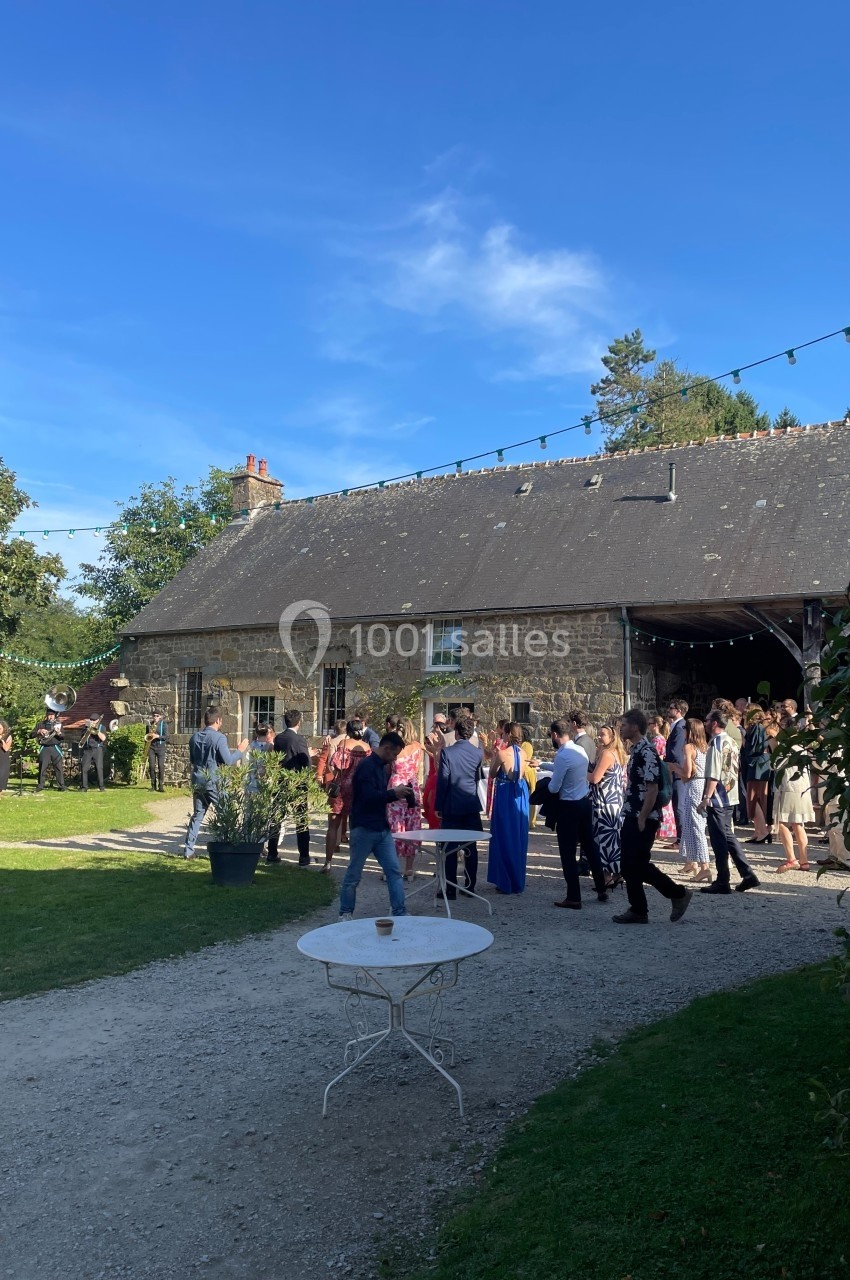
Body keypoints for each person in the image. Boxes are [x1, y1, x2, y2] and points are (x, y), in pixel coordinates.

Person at [614, 709, 692, 925]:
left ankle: (673, 895)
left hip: (643, 817)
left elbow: (653, 788)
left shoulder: (647, 751)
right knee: (630, 864)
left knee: (636, 863)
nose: (621, 728)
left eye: (624, 724)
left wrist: (642, 817)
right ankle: (642, 908)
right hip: (633, 813)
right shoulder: (637, 750)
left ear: (635, 727)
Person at [338, 732, 412, 919]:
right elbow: (367, 797)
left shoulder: (381, 767)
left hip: (381, 828)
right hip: (363, 827)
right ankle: (345, 912)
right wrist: (393, 794)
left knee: (394, 871)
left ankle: (400, 912)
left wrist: (394, 794)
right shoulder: (367, 767)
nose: (395, 759)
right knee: (354, 875)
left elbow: (379, 796)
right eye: (394, 754)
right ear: (386, 748)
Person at [547, 718, 608, 907]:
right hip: (584, 802)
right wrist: (544, 766)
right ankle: (601, 888)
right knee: (590, 847)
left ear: (555, 735)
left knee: (567, 852)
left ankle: (573, 896)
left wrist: (545, 786)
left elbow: (554, 787)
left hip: (569, 806)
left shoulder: (562, 755)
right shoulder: (579, 750)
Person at [697, 710, 759, 893]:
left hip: (718, 796)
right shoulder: (731, 741)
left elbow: (714, 773)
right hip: (730, 794)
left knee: (719, 840)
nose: (705, 723)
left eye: (707, 720)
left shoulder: (716, 743)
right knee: (728, 836)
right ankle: (748, 875)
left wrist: (706, 797)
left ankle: (723, 880)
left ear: (715, 723)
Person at [184, 707, 248, 859]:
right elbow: (228, 761)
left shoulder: (194, 737)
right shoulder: (219, 738)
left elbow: (193, 759)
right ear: (218, 720)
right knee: (225, 814)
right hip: (214, 781)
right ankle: (228, 848)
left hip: (198, 779)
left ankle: (188, 850)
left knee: (198, 815)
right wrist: (240, 751)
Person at [436, 713, 485, 899]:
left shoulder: (447, 753)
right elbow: (477, 778)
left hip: (452, 804)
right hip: (470, 803)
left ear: (456, 732)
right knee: (470, 847)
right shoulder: (477, 752)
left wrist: (438, 805)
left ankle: (450, 889)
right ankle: (470, 886)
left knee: (450, 848)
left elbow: (443, 781)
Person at [487, 722, 530, 894]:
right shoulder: (524, 752)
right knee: (518, 834)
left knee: (503, 834)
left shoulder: (503, 753)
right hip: (520, 793)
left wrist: (495, 757)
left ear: (507, 734)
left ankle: (505, 881)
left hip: (505, 793)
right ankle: (517, 879)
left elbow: (492, 773)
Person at [323, 718, 371, 869]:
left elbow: (334, 765)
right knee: (356, 828)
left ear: (348, 731)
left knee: (333, 826)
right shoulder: (367, 748)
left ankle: (328, 862)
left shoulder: (343, 744)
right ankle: (355, 863)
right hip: (359, 790)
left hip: (341, 788)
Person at [667, 718, 711, 882]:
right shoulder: (705, 747)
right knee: (690, 823)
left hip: (693, 785)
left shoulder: (689, 747)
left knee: (696, 826)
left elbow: (687, 772)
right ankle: (691, 861)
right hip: (701, 784)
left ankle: (705, 867)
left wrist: (674, 768)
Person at [269, 709, 314, 866]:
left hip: (281, 781)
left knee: (276, 818)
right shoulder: (299, 739)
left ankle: (272, 852)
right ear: (299, 722)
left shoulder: (279, 738)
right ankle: (304, 856)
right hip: (296, 783)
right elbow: (306, 762)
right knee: (301, 819)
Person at [770, 729, 816, 873]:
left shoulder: (785, 749)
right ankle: (804, 860)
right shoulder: (802, 748)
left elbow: (774, 765)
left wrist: (773, 746)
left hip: (789, 788)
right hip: (803, 788)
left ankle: (791, 859)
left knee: (782, 823)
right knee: (798, 824)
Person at [588, 722, 627, 886]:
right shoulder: (619, 753)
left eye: (602, 734)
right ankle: (617, 874)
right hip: (615, 801)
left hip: (603, 802)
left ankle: (606, 877)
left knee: (602, 839)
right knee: (614, 839)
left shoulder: (607, 754)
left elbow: (595, 778)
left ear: (612, 737)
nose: (599, 736)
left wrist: (581, 771)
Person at [386, 716, 424, 880]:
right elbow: (418, 768)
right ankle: (409, 868)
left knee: (394, 827)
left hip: (396, 785)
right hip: (411, 785)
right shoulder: (417, 747)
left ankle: (392, 868)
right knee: (412, 826)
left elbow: (388, 767)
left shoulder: (395, 747)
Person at [742, 705, 772, 843]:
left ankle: (763, 831)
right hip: (757, 763)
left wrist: (744, 743)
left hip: (757, 764)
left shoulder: (757, 728)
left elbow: (755, 748)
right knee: (754, 798)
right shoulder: (756, 728)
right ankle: (758, 830)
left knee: (754, 798)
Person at [647, 713, 676, 841]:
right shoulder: (662, 739)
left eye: (650, 724)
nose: (648, 726)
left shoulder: (657, 740)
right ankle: (664, 830)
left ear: (656, 725)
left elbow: (656, 758)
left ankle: (660, 830)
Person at [664, 698, 688, 846]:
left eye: (671, 708)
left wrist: (668, 764)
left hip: (677, 772)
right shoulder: (678, 726)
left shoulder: (680, 727)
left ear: (678, 711)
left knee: (679, 806)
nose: (669, 710)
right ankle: (681, 838)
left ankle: (681, 839)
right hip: (676, 770)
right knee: (677, 805)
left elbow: (676, 751)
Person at [422, 712, 449, 830]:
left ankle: (437, 825)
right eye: (435, 723)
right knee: (427, 800)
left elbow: (438, 755)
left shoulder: (446, 738)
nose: (437, 726)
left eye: (439, 723)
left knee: (433, 799)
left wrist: (428, 750)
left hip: (438, 771)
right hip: (433, 771)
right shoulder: (430, 736)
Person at [33, 711, 66, 791]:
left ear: (54, 716)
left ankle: (61, 786)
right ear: (46, 716)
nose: (50, 717)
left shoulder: (58, 724)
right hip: (44, 747)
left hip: (55, 747)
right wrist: (39, 731)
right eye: (49, 715)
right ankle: (40, 786)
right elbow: (31, 735)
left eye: (52, 715)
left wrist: (59, 732)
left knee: (58, 767)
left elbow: (63, 737)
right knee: (42, 767)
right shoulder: (40, 724)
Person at [486, 719, 509, 816]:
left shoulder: (499, 742)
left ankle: (491, 812)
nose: (495, 729)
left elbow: (491, 755)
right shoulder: (507, 742)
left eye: (497, 727)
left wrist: (487, 742)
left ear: (502, 729)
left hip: (496, 769)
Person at [79, 715, 108, 792]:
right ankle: (84, 787)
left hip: (97, 749)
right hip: (87, 749)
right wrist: (87, 730)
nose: (92, 721)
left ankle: (101, 787)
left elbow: (103, 738)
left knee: (99, 768)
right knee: (84, 768)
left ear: (98, 720)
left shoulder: (102, 727)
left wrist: (97, 731)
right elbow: (82, 738)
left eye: (94, 720)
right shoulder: (86, 727)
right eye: (91, 720)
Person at [146, 710, 169, 793]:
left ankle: (161, 786)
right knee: (151, 766)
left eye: (157, 716)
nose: (155, 717)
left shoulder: (164, 724)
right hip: (151, 747)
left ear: (160, 717)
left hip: (161, 747)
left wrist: (157, 736)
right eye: (154, 715)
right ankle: (153, 785)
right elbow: (147, 736)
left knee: (160, 766)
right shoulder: (149, 725)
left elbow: (167, 737)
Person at [0, 719, 12, 793]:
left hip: (3, 759)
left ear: (4, 728)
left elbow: (6, 748)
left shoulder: (8, 736)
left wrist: (2, 740)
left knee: (1, 777)